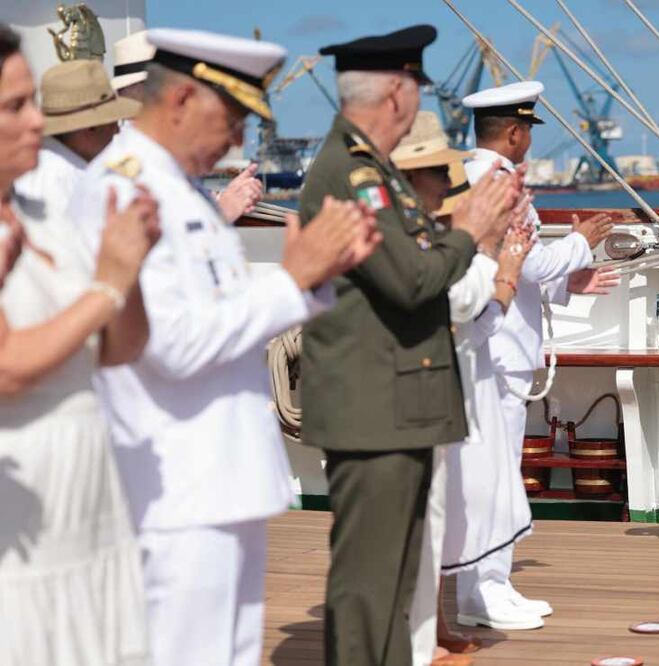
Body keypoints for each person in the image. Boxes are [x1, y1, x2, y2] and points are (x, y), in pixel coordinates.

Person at [69, 28, 382, 666]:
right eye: (233, 115)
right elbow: (171, 343)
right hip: (175, 490)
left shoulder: (175, 187)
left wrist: (316, 276)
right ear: (181, 99)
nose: (239, 138)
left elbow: (222, 306)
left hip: (217, 479)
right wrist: (294, 280)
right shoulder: (125, 189)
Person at [299, 26, 518, 666]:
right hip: (374, 410)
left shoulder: (369, 168)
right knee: (370, 586)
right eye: (416, 87)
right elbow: (411, 277)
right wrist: (472, 233)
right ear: (397, 92)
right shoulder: (352, 171)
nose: (420, 100)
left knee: (394, 582)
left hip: (395, 405)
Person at [0, 23, 160, 665]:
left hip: (92, 497)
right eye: (15, 107)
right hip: (23, 507)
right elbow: (7, 368)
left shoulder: (46, 215)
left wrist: (132, 259)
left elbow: (120, 349)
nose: (38, 122)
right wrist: (107, 286)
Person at [457, 79, 617, 630]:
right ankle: (488, 590)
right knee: (495, 475)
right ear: (515, 133)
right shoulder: (499, 184)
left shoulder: (471, 177)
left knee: (488, 474)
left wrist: (572, 283)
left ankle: (478, 591)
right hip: (499, 348)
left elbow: (517, 267)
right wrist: (583, 242)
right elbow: (531, 263)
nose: (527, 143)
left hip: (491, 343)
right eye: (526, 132)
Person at [390, 111, 534, 665]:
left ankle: (434, 626)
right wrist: (498, 258)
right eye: (436, 173)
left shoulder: (420, 222)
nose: (445, 186)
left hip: (445, 374)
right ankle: (421, 638)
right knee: (430, 516)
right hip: (424, 383)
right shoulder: (405, 229)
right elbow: (457, 300)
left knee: (446, 509)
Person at [111, 29, 264, 223]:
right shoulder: (129, 178)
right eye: (227, 120)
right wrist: (223, 211)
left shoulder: (162, 164)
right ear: (181, 99)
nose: (237, 140)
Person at [15, 58, 140, 218]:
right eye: (112, 122)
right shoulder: (62, 179)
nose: (116, 130)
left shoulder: (48, 167)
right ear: (91, 127)